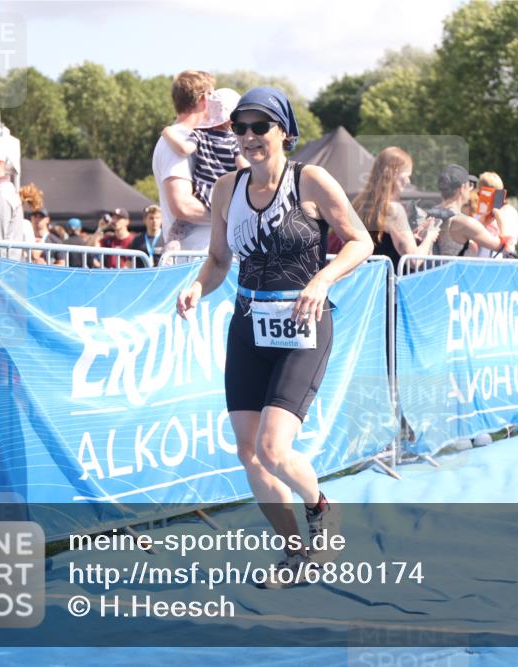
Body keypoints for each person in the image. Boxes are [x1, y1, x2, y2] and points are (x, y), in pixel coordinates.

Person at [175, 87, 373, 587]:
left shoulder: (311, 180)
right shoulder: (226, 189)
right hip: (248, 327)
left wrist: (323, 278)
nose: (248, 137)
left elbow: (361, 242)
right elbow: (219, 259)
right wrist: (198, 285)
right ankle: (296, 554)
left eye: (260, 126)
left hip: (303, 328)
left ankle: (322, 509)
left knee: (273, 449)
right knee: (249, 453)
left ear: (284, 130)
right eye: (240, 127)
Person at [152, 70, 215, 252]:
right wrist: (233, 214)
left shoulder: (185, 137)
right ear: (204, 99)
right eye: (214, 96)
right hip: (193, 262)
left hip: (204, 262)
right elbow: (182, 206)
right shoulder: (178, 139)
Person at [161, 87, 251, 210]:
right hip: (227, 192)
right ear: (231, 120)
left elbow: (184, 149)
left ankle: (178, 226)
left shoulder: (199, 135)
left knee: (185, 217)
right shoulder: (234, 141)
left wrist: (167, 132)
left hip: (203, 193)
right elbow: (244, 167)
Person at [352, 147, 437, 271]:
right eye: (407, 175)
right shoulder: (393, 209)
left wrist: (411, 235)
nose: (408, 181)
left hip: (367, 281)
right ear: (393, 172)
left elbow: (380, 242)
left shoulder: (360, 204)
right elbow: (414, 260)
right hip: (389, 284)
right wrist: (430, 236)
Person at [429, 164, 511, 257]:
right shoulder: (465, 222)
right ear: (462, 188)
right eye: (470, 185)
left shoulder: (432, 214)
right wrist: (500, 219)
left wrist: (482, 223)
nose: (472, 190)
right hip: (458, 271)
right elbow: (505, 247)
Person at [473, 172, 518, 257]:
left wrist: (498, 217)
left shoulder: (509, 212)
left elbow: (508, 243)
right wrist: (483, 222)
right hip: (479, 263)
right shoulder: (476, 214)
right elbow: (471, 240)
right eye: (479, 194)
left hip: (501, 263)